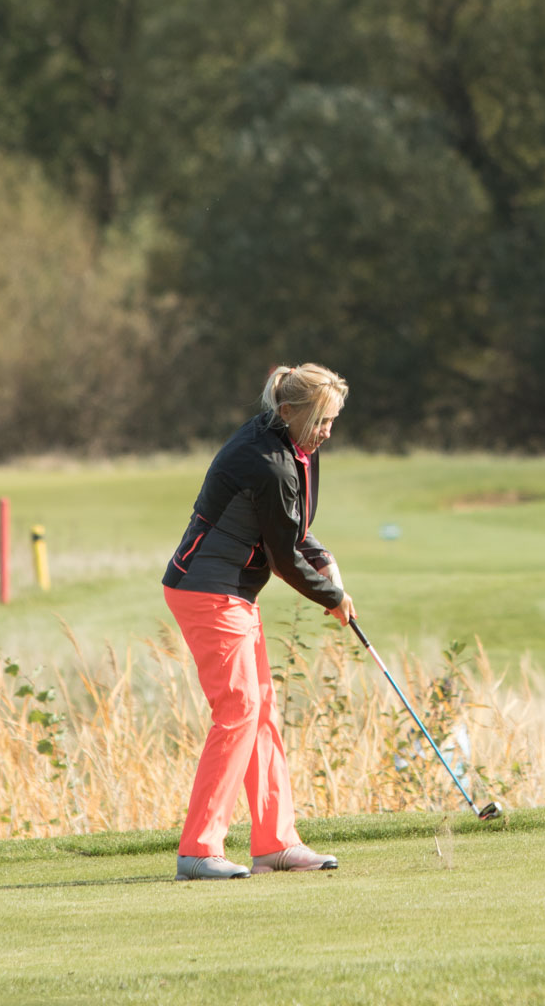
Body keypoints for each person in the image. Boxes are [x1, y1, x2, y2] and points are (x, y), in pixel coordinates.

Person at [163, 363, 355, 880]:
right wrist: (332, 596)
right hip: (206, 590)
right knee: (239, 710)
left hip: (234, 593)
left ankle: (275, 844)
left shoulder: (291, 447)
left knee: (260, 711)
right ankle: (198, 849)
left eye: (332, 421)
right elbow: (284, 556)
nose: (327, 432)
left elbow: (291, 527)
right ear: (288, 412)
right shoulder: (268, 460)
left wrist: (325, 560)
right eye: (320, 421)